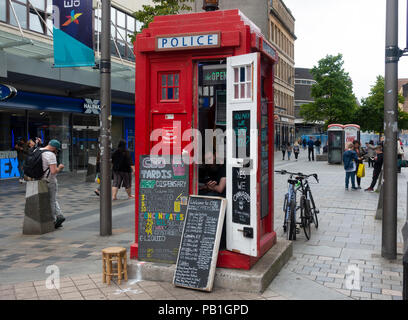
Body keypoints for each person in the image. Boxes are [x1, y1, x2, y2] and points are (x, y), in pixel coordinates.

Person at [41, 140, 65, 228]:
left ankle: (59, 215)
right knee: (52, 200)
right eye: (57, 150)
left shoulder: (39, 151)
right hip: (50, 180)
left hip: (39, 180)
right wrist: (60, 167)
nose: (56, 152)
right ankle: (54, 220)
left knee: (48, 200)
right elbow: (53, 171)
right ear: (54, 148)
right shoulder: (50, 155)